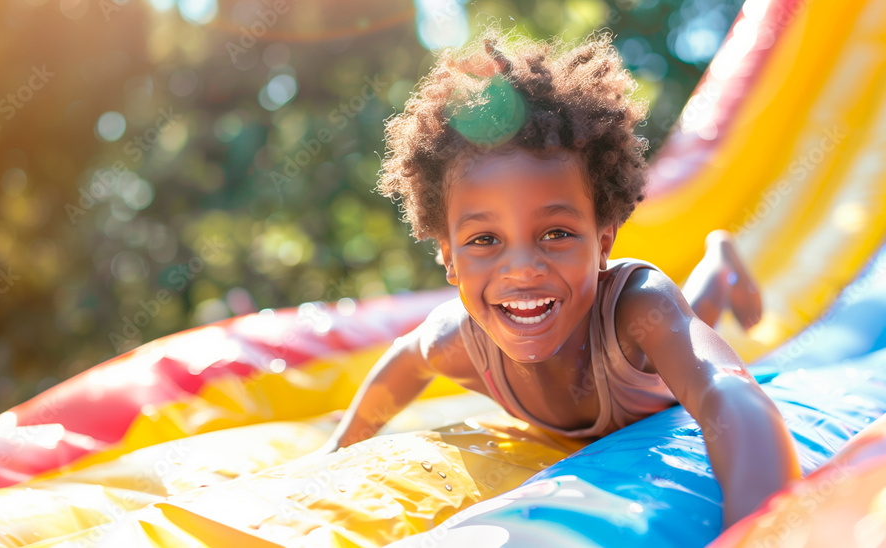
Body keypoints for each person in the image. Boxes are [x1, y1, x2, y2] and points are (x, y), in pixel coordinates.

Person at [316, 26, 800, 529]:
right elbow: (406, 361)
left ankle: (718, 263)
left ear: (604, 239)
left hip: (651, 361)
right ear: (449, 257)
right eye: (485, 240)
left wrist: (761, 527)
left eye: (556, 233)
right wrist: (341, 443)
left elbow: (729, 394)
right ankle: (715, 266)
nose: (522, 267)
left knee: (689, 317)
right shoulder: (459, 337)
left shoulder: (637, 307)